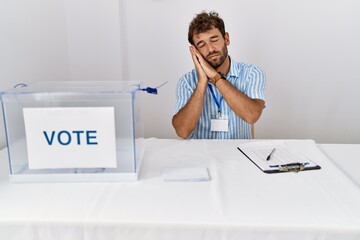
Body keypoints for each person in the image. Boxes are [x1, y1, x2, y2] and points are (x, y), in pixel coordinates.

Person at [172, 11, 266, 139]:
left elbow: (252, 115)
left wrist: (215, 76)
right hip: (201, 157)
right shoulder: (186, 81)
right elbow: (182, 131)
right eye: (201, 45)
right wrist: (201, 83)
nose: (210, 49)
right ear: (195, 51)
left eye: (214, 40)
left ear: (226, 39)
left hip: (238, 156)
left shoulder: (252, 73)